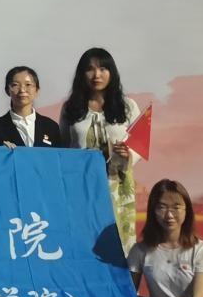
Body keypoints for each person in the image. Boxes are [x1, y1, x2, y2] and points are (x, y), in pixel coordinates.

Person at [59, 48, 141, 251]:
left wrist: (128, 154)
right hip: (81, 185)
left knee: (120, 242)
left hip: (118, 185)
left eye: (103, 68)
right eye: (90, 69)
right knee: (83, 239)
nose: (97, 75)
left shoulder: (128, 106)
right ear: (82, 74)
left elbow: (139, 144)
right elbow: (63, 146)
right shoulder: (71, 108)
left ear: (112, 72)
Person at [0, 66, 63, 148]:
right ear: (7, 90)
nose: (22, 90)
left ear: (37, 90)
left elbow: (59, 155)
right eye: (15, 85)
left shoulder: (51, 127)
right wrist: (0, 151)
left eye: (28, 84)